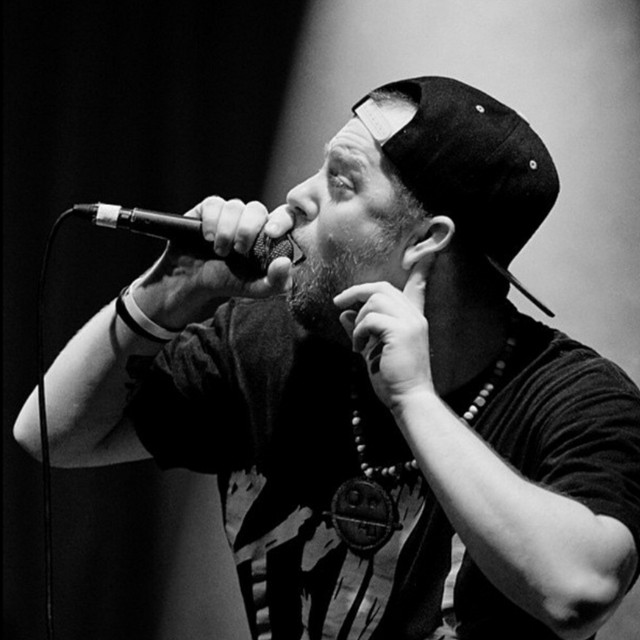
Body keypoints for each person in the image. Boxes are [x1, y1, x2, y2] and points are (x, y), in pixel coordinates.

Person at [14, 76, 640, 640]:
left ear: (426, 240)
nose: (296, 195)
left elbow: (577, 593)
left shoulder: (577, 400)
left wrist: (413, 400)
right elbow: (53, 434)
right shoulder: (270, 345)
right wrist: (168, 293)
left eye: (340, 181)